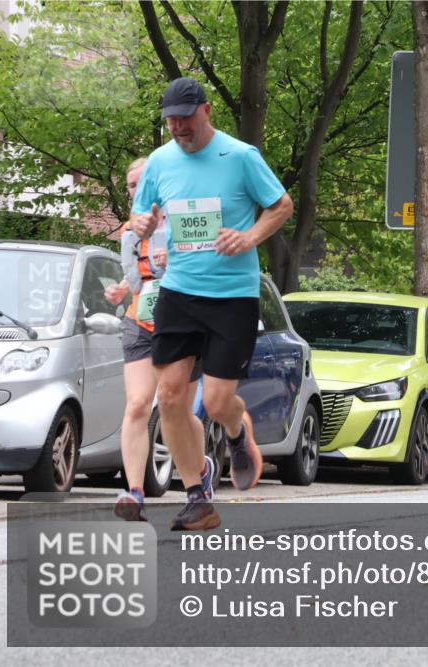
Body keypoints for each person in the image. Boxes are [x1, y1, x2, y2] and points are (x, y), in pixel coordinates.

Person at [131, 77, 293, 530]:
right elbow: (140, 217)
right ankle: (198, 495)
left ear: (205, 111)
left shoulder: (240, 156)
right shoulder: (160, 163)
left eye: (185, 118)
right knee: (170, 396)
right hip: (179, 291)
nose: (178, 128)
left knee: (219, 401)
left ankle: (239, 434)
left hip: (232, 296)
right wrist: (140, 223)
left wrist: (249, 237)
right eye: (171, 121)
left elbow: (281, 205)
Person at [103, 156, 169, 521]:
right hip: (139, 323)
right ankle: (135, 493)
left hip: (179, 324)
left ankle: (199, 471)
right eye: (130, 185)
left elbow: (207, 265)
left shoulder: (180, 221)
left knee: (174, 409)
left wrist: (174, 260)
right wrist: (121, 290)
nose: (135, 190)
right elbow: (137, 280)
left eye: (142, 182)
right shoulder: (128, 232)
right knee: (138, 405)